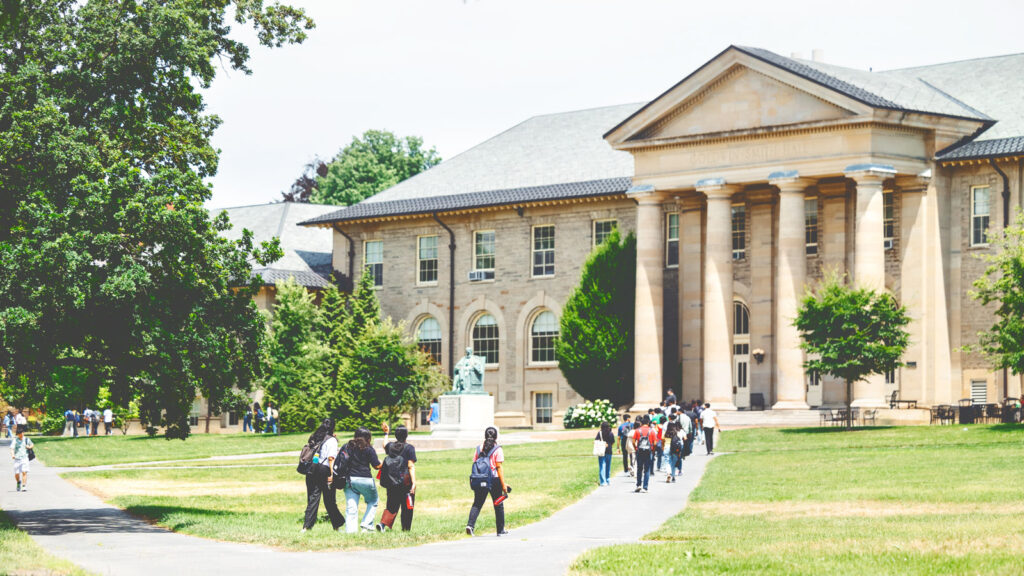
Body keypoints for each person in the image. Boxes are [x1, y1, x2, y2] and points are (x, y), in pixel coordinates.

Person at [302, 418, 345, 532]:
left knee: (313, 499)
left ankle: (306, 527)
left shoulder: (316, 437)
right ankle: (337, 525)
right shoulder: (332, 440)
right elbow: (331, 458)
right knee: (330, 500)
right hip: (324, 470)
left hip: (311, 469)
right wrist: (331, 474)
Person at [466, 426, 509, 536]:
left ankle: (470, 525)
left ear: (485, 436)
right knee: (498, 504)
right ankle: (500, 530)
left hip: (480, 478)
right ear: (496, 437)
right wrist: (504, 485)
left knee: (477, 503)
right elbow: (499, 467)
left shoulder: (479, 448)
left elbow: (476, 462)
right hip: (494, 480)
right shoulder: (498, 449)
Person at [376, 423, 417, 532]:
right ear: (406, 435)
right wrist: (414, 482)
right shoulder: (409, 448)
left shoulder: (391, 446)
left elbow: (384, 444)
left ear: (396, 435)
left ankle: (383, 524)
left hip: (391, 481)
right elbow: (410, 466)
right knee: (407, 506)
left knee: (391, 504)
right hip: (405, 483)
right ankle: (405, 529)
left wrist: (386, 433)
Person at [343, 427, 381, 533]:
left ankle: (350, 531)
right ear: (368, 437)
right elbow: (376, 466)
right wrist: (383, 463)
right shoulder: (369, 448)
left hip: (349, 480)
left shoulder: (347, 446)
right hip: (365, 479)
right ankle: (367, 524)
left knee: (351, 507)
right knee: (373, 501)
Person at [632, 416, 657, 493]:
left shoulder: (637, 430)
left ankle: (638, 485)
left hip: (639, 451)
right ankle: (645, 487)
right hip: (648, 451)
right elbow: (655, 443)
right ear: (648, 423)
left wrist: (636, 448)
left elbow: (633, 441)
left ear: (641, 423)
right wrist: (653, 450)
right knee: (647, 470)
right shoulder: (652, 431)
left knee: (639, 469)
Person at [11, 425, 33, 492]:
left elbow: (32, 444)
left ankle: (24, 486)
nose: (21, 435)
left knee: (24, 472)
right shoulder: (15, 440)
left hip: (25, 458)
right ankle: (18, 482)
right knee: (17, 473)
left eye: (22, 433)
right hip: (17, 458)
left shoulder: (26, 439)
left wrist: (29, 447)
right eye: (20, 434)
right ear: (17, 434)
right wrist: (12, 455)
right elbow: (12, 448)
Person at [596, 422, 614, 486]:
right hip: (609, 450)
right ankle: (607, 479)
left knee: (602, 466)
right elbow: (612, 442)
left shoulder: (600, 433)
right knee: (608, 466)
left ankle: (603, 482)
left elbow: (596, 440)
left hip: (601, 451)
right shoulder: (611, 433)